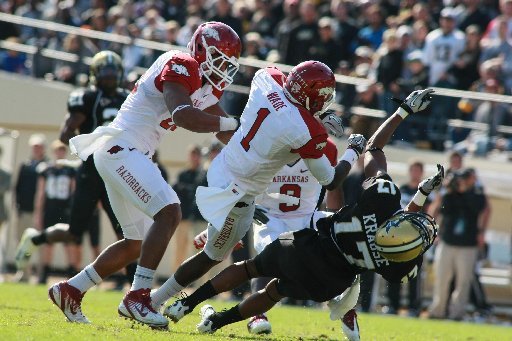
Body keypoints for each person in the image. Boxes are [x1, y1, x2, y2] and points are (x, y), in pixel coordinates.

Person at [162, 89, 443, 336]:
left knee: (251, 268)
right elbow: (400, 240)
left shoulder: (381, 200)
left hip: (310, 244)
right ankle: (222, 321)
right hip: (330, 282)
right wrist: (420, 197)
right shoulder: (401, 264)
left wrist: (401, 111)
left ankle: (187, 303)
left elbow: (374, 149)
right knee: (278, 291)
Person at [46, 22, 243, 329]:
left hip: (127, 153)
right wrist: (233, 124)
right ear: (202, 51)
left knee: (135, 242)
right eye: (219, 59)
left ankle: (71, 289)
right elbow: (183, 114)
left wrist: (261, 148)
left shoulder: (202, 84)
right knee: (169, 211)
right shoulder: (182, 63)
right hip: (122, 149)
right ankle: (138, 295)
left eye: (228, 63)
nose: (223, 68)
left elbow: (226, 131)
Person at [149, 60, 348, 320]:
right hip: (239, 193)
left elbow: (283, 96)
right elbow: (330, 180)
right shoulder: (303, 129)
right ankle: (154, 300)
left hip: (223, 168)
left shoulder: (266, 79)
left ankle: (163, 294)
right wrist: (353, 152)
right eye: (322, 97)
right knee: (214, 256)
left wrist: (314, 116)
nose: (325, 102)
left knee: (221, 247)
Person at [193, 138, 341, 335]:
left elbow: (332, 185)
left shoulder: (323, 148)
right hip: (268, 217)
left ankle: (342, 307)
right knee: (263, 264)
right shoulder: (267, 146)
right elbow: (241, 186)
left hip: (302, 219)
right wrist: (219, 223)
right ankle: (253, 315)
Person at [15, 51, 131, 280]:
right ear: (95, 74)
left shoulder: (127, 97)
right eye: (104, 72)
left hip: (117, 171)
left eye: (112, 72)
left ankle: (135, 290)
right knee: (73, 232)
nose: (108, 76)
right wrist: (85, 147)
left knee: (128, 233)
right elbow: (66, 131)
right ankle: (35, 239)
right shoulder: (86, 96)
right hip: (91, 171)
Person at [428, 168, 490, 321]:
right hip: (447, 241)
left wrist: (464, 191)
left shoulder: (477, 194)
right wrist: (449, 189)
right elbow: (444, 209)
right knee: (442, 278)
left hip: (468, 245)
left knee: (463, 282)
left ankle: (457, 313)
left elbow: (477, 208)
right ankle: (438, 311)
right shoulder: (450, 194)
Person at [33, 140, 76, 284]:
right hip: (50, 209)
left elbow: (74, 191)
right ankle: (44, 274)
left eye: (62, 150)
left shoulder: (71, 170)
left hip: (65, 210)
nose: (60, 153)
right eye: (57, 150)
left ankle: (72, 274)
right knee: (48, 242)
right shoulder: (46, 169)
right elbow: (40, 192)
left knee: (69, 242)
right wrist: (38, 214)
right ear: (53, 152)